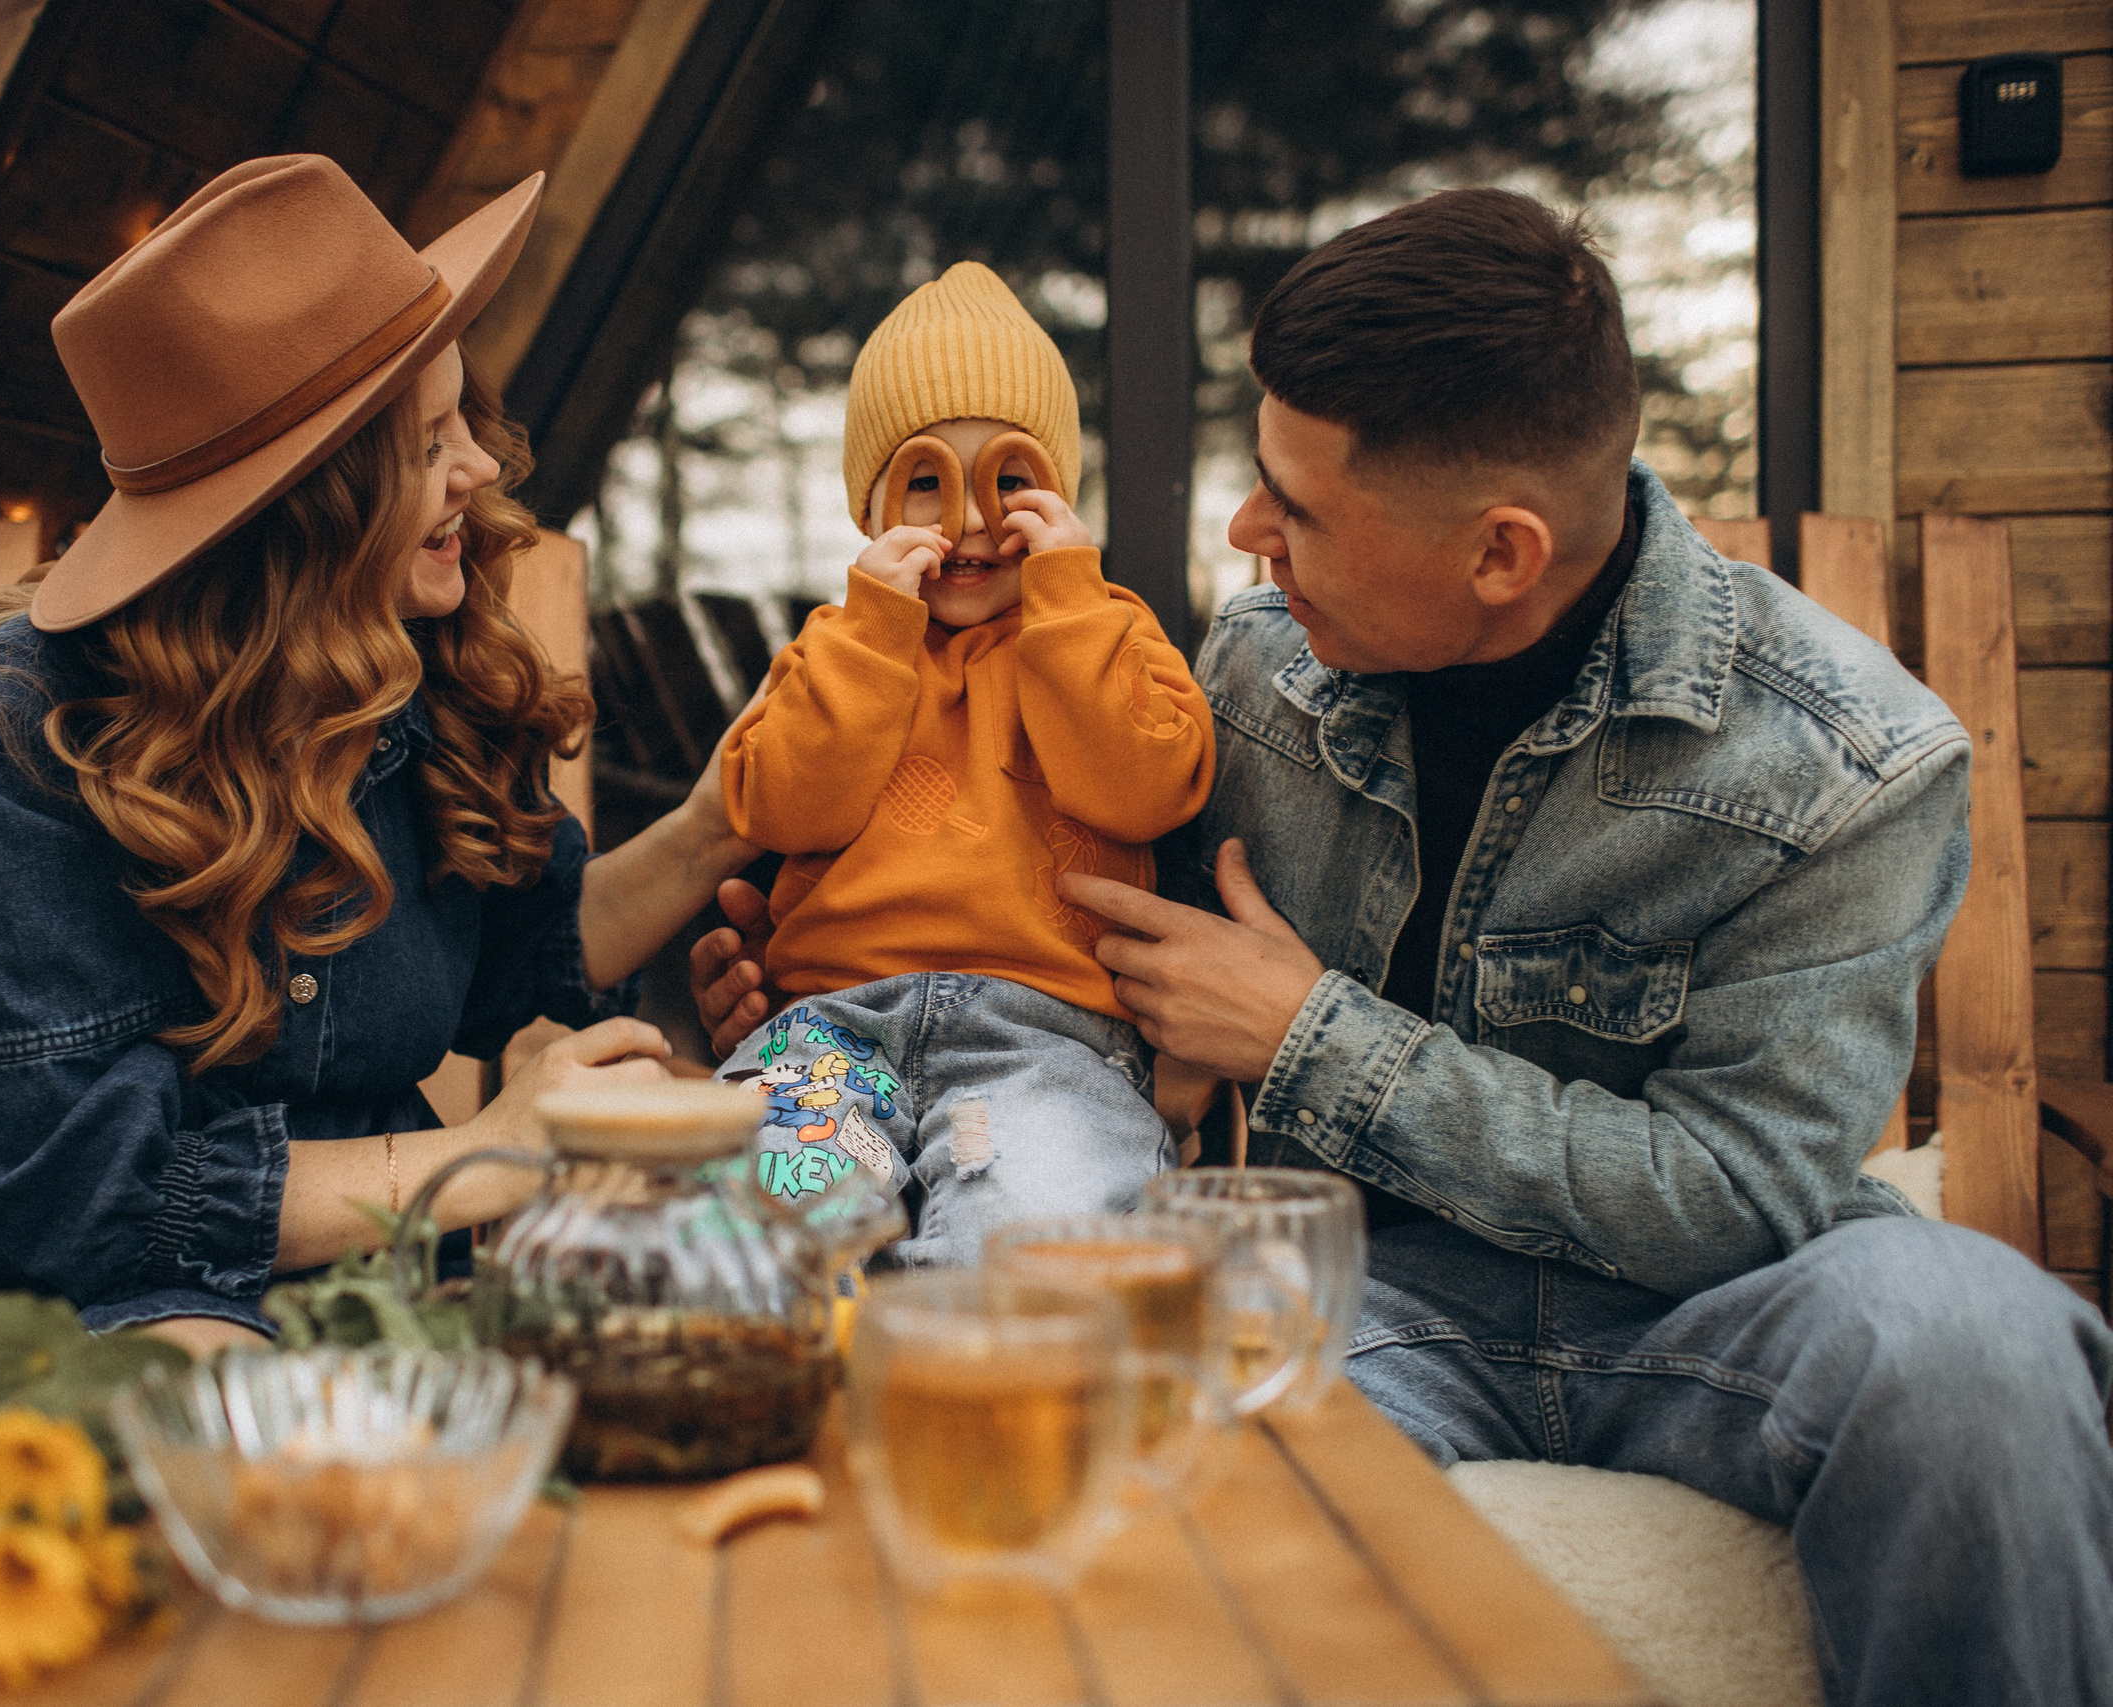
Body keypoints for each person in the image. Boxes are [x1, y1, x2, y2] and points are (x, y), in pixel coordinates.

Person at [699, 189, 2113, 1702]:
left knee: (1982, 1339)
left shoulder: (1849, 762)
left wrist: (1316, 1041)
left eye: (1294, 508)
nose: (1246, 537)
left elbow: (1742, 1194)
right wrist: (835, 989)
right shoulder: (1259, 667)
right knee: (1132, 1397)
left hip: (1721, 1303)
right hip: (1344, 1295)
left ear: (1499, 553)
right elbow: (1087, 937)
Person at [0, 156, 756, 1706]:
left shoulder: (422, 681)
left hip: (305, 1265)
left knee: (216, 1408)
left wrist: (721, 822)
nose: (484, 470)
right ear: (309, 502)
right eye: (432, 442)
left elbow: (526, 945)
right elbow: (83, 1188)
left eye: (468, 417)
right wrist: (506, 1152)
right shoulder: (19, 739)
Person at [711, 262, 1214, 1264]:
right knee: (760, 1219)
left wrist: (1069, 601)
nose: (973, 522)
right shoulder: (840, 646)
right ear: (870, 509)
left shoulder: (1105, 631)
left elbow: (1147, 786)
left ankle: (966, 1387)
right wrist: (872, 635)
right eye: (926, 484)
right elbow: (776, 807)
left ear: (1061, 496)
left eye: (1011, 482)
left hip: (1049, 1042)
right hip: (833, 1035)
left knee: (1030, 1232)